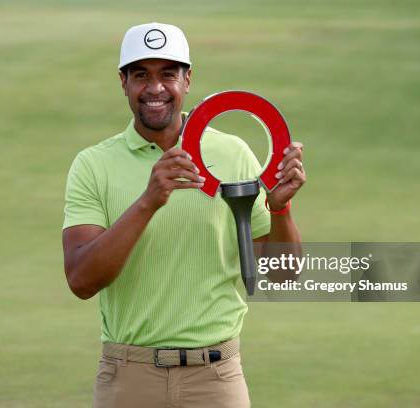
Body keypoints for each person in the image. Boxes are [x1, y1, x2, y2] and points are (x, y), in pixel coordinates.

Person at [62, 22, 306, 408]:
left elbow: (282, 275)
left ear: (187, 79)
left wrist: (280, 209)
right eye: (141, 74)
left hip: (215, 378)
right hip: (128, 375)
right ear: (123, 82)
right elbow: (81, 280)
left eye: (168, 74)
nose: (155, 88)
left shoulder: (233, 153)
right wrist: (148, 201)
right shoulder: (93, 165)